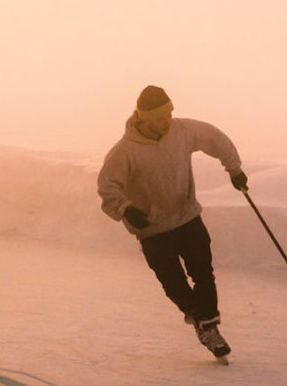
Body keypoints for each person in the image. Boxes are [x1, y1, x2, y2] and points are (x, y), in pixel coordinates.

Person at [97, 85, 248, 362]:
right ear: (141, 118)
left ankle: (209, 329)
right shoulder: (124, 151)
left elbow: (215, 139)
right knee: (174, 283)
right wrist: (125, 209)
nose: (165, 122)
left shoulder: (182, 131)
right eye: (158, 118)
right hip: (152, 230)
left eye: (168, 115)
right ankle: (200, 319)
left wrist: (234, 169)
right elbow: (108, 187)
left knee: (203, 273)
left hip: (187, 217)